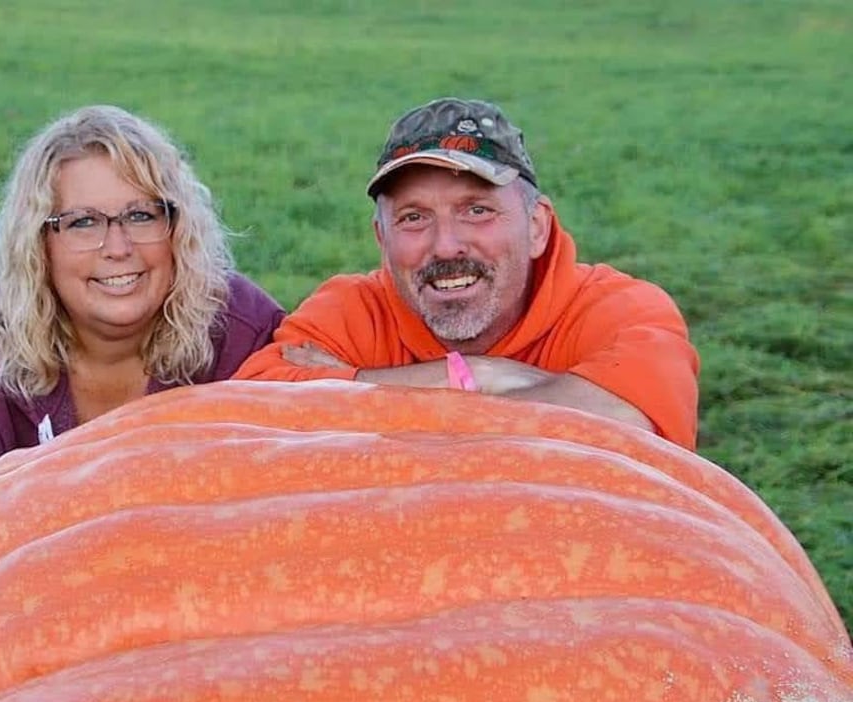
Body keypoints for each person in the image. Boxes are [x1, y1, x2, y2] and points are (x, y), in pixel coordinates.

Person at [0, 105, 285, 533]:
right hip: (27, 588)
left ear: (178, 231)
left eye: (141, 215)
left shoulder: (243, 331)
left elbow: (298, 507)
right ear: (40, 244)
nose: (117, 246)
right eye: (83, 222)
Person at [234, 97, 699, 449]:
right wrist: (476, 376)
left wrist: (358, 389)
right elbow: (253, 412)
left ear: (537, 227)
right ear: (382, 239)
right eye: (414, 218)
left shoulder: (619, 309)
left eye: (477, 210)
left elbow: (630, 424)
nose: (446, 245)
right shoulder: (352, 309)